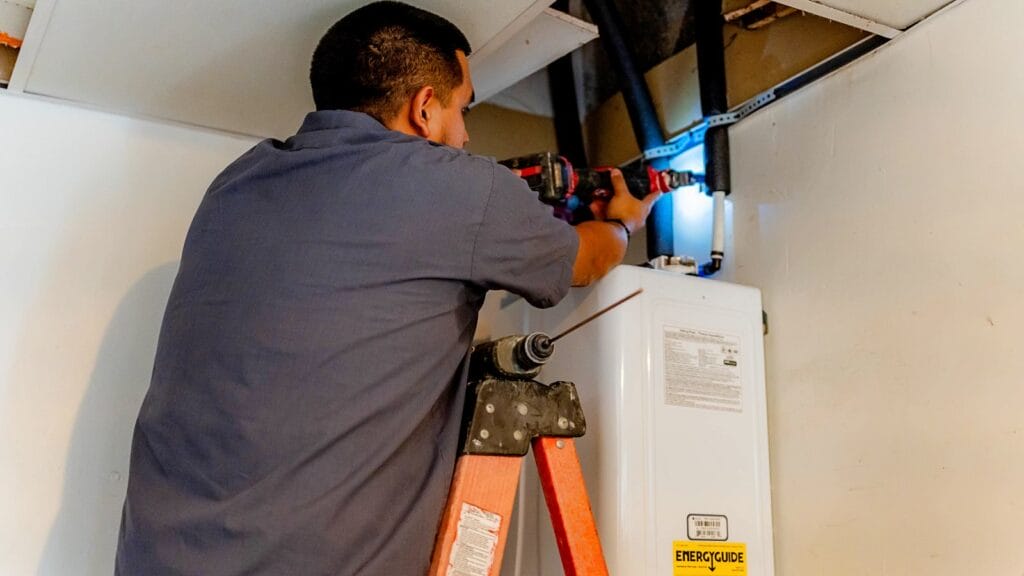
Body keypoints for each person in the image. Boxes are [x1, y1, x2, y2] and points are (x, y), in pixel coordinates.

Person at [114, 2, 661, 574]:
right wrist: (623, 221)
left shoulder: (235, 183)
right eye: (463, 107)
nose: (467, 132)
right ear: (424, 108)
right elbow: (585, 259)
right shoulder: (458, 188)